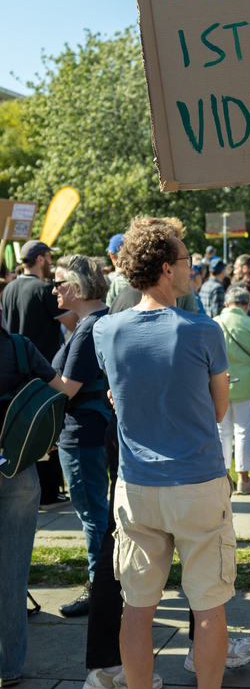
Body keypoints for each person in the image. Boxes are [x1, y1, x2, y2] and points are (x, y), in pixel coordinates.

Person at [93, 217, 250, 689]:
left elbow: (121, 397)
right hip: (197, 484)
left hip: (137, 486)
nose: (191, 268)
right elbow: (216, 410)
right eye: (185, 260)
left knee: (137, 607)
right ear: (166, 268)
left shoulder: (104, 331)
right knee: (208, 604)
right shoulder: (201, 330)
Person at [0, 323, 69, 687]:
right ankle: (8, 666)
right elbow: (58, 389)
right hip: (17, 467)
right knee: (12, 572)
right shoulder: (18, 345)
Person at [51, 256, 112, 617]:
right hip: (93, 429)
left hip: (83, 432)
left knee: (93, 514)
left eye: (58, 282)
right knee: (98, 513)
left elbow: (67, 389)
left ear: (75, 286)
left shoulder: (89, 327)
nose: (54, 290)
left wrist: (33, 366)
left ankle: (98, 587)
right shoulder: (96, 321)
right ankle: (105, 584)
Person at [1, 239, 77, 508]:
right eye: (48, 257)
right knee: (44, 433)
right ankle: (48, 493)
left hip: (14, 370)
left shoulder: (8, 288)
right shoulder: (44, 290)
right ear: (42, 259)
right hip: (43, 368)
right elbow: (72, 322)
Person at [215, 286, 250, 495]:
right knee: (244, 431)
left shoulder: (214, 323)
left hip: (219, 382)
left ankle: (224, 477)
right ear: (246, 306)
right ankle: (244, 478)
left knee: (222, 431)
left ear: (226, 304)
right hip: (247, 382)